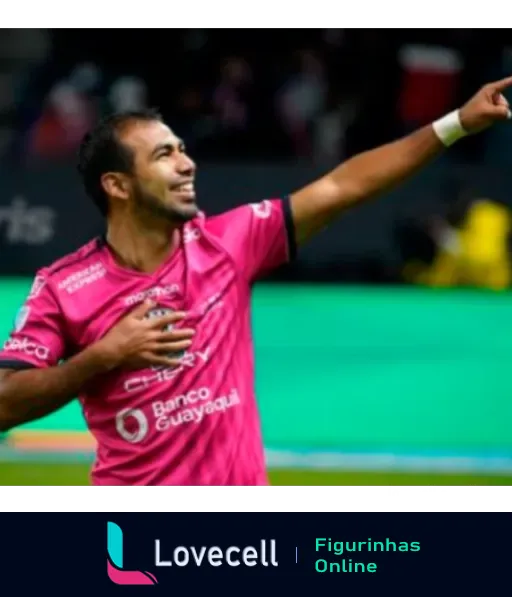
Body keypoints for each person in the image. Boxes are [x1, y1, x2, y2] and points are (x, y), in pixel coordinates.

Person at [0, 78, 510, 486]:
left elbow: (341, 186)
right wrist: (103, 356)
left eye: (181, 149)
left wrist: (456, 124)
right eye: (163, 155)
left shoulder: (230, 242)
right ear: (117, 185)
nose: (187, 163)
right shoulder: (62, 286)